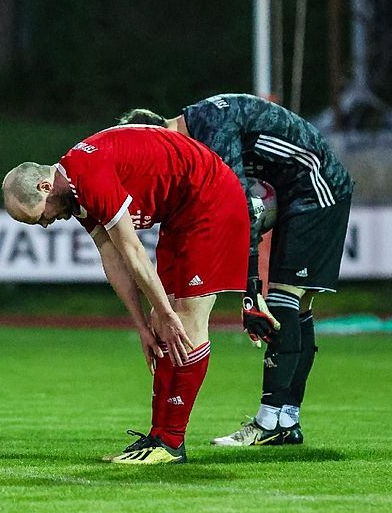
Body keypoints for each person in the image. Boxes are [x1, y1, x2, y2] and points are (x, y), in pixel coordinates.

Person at [2, 125, 252, 464]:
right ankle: (159, 437)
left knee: (185, 320)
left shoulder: (88, 177)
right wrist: (142, 324)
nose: (46, 224)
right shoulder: (74, 194)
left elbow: (133, 251)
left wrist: (164, 310)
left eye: (38, 217)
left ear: (45, 187)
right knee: (163, 325)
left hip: (210, 198)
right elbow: (112, 255)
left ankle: (170, 443)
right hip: (182, 211)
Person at [119, 93, 354, 446]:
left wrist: (251, 291)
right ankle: (286, 419)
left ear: (160, 138)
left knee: (282, 301)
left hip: (315, 187)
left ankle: (272, 421)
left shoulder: (212, 129)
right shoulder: (201, 126)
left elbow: (241, 207)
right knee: (296, 305)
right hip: (298, 191)